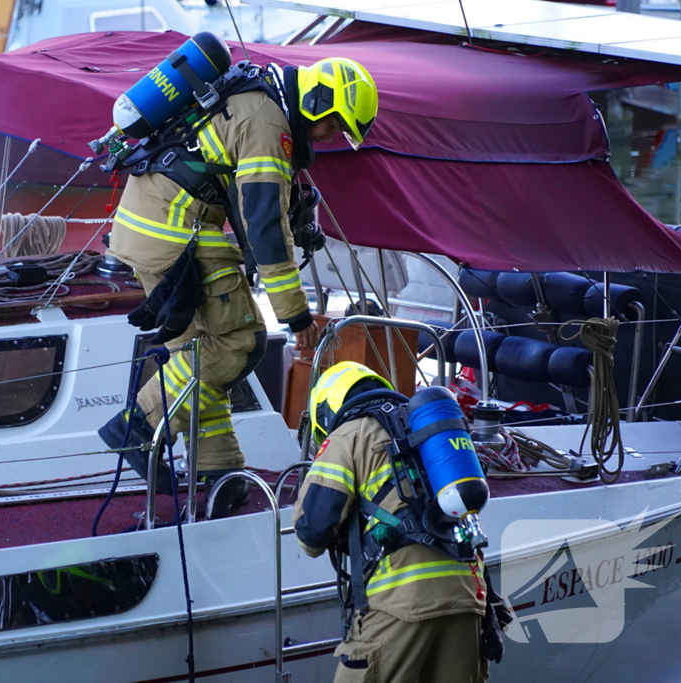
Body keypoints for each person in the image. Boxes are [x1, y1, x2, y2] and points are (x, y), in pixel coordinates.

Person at [99, 57, 379, 517]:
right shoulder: (269, 122)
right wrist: (296, 313)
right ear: (317, 101)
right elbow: (265, 223)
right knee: (238, 343)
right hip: (176, 231)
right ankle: (137, 425)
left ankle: (219, 474)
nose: (329, 137)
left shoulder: (259, 101)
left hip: (149, 226)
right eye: (333, 124)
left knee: (199, 357)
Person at [294, 361, 506, 682]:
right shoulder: (427, 430)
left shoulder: (348, 434)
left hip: (400, 600)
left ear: (326, 408)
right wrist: (489, 605)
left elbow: (312, 533)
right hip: (468, 598)